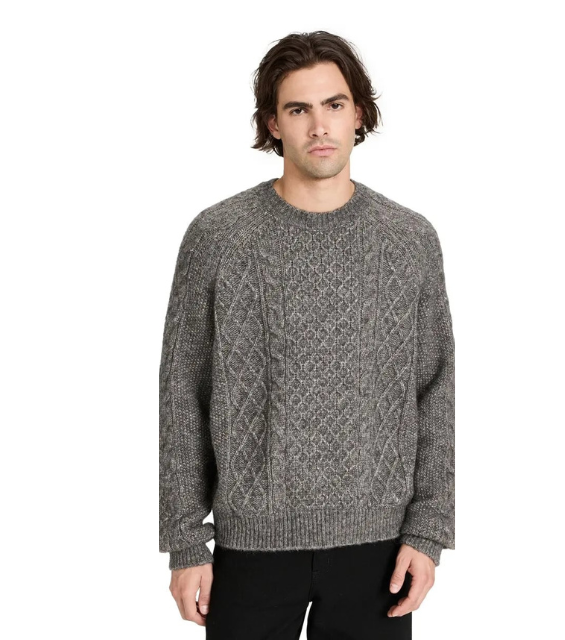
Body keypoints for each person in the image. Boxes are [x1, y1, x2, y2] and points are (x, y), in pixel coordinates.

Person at [159, 30, 455, 639]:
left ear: (359, 113)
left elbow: (434, 390)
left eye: (334, 105)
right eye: (298, 109)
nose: (319, 126)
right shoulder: (219, 238)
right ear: (273, 123)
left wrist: (428, 532)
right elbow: (182, 391)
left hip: (379, 550)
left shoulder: (409, 241)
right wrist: (185, 541)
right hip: (250, 547)